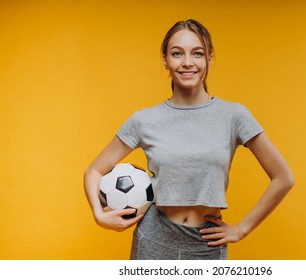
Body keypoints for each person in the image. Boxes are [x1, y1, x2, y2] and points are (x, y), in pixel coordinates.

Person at [84, 19, 294, 260]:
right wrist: (99, 215)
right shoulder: (144, 120)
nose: (187, 62)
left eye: (197, 53)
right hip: (153, 238)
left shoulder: (234, 116)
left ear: (209, 58)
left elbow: (283, 178)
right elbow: (93, 171)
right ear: (165, 60)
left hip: (206, 243)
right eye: (177, 53)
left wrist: (242, 229)